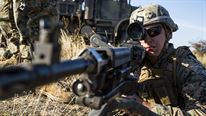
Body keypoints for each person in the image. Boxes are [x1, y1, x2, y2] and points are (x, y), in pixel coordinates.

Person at [129, 4, 206, 115]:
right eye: (140, 34)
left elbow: (202, 112)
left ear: (168, 32)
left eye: (153, 31)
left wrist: (144, 107)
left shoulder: (185, 65)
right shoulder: (132, 63)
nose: (147, 40)